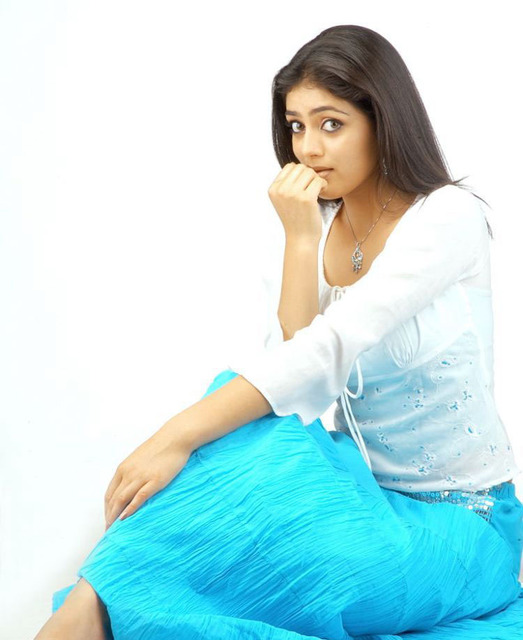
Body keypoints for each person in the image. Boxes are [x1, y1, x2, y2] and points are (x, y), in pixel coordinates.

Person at [35, 24, 523, 640]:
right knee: (244, 434)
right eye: (296, 126)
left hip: (465, 525)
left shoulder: (448, 216)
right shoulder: (317, 223)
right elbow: (295, 384)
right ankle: (89, 607)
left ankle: (93, 611)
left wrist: (172, 436)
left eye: (331, 124)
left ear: (383, 122)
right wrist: (299, 239)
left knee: (226, 434)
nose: (308, 149)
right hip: (363, 494)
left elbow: (323, 350)